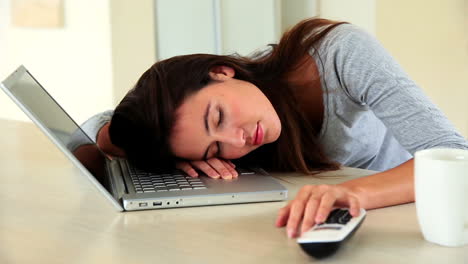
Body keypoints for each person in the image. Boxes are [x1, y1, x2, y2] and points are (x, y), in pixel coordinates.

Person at [81, 18, 468, 238]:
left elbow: (455, 156)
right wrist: (159, 154)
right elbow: (96, 125)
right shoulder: (228, 121)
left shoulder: (341, 53)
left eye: (217, 118)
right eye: (214, 150)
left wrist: (345, 194)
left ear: (221, 71)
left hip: (409, 216)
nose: (237, 140)